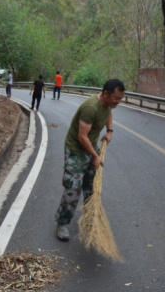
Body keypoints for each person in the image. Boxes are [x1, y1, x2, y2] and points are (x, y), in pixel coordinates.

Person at [54, 79, 125, 241]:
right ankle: (62, 223)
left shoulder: (108, 104)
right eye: (116, 98)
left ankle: (89, 217)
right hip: (76, 150)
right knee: (73, 188)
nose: (118, 102)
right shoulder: (90, 107)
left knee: (91, 187)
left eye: (121, 99)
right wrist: (95, 156)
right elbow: (81, 136)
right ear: (105, 94)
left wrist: (110, 131)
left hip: (91, 147)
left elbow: (109, 113)